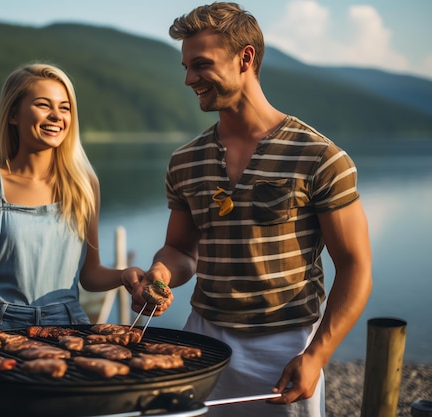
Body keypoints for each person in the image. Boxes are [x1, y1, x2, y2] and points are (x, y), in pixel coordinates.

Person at [121, 3, 373, 416]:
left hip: (285, 348)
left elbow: (356, 267)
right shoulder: (185, 160)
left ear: (246, 58)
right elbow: (180, 250)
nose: (189, 79)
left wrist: (317, 356)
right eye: (185, 67)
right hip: (201, 342)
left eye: (201, 65)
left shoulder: (320, 157)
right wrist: (160, 276)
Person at [0, 63, 137, 343]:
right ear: (13, 114)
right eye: (43, 105)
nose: (56, 116)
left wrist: (126, 275)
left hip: (69, 326)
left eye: (65, 108)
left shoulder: (84, 184)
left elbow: (90, 275)